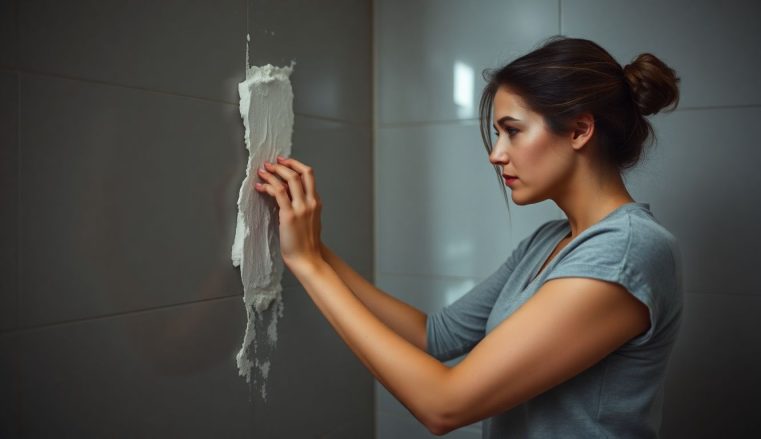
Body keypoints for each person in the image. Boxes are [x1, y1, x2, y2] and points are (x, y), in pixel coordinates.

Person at [254, 35, 683, 438]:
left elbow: (444, 405)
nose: (496, 154)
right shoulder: (551, 241)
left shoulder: (627, 251)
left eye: (512, 130)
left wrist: (308, 266)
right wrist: (317, 249)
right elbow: (433, 336)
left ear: (578, 130)